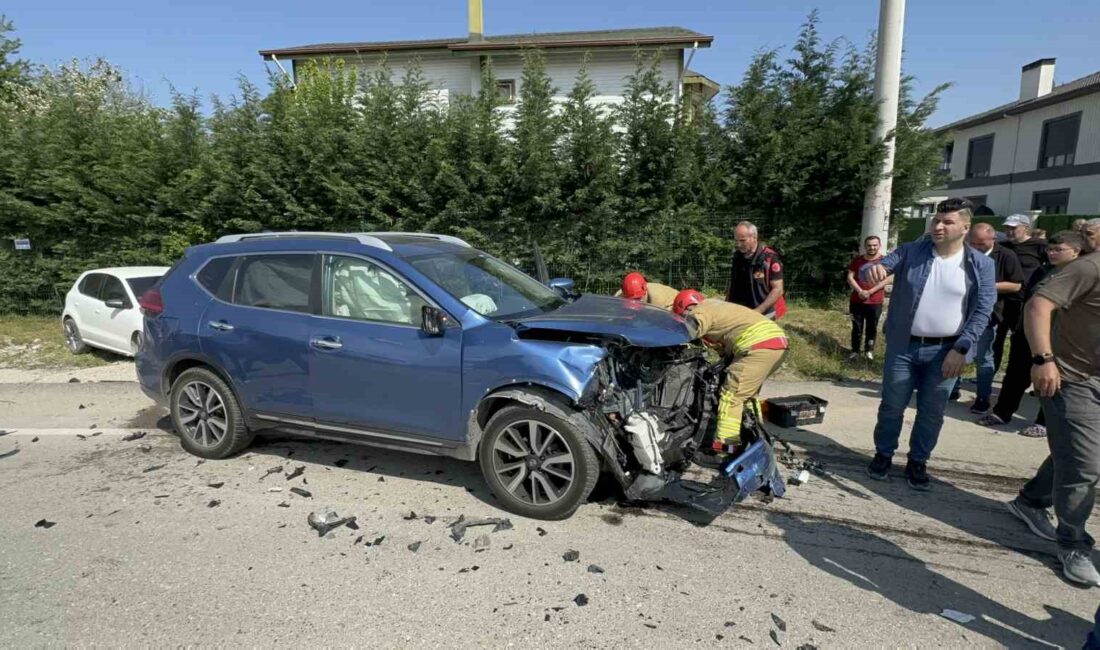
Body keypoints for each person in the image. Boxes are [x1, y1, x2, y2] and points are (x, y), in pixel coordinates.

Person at [861, 198, 996, 490]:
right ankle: (883, 454)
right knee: (891, 406)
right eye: (936, 220)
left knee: (932, 412)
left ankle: (918, 461)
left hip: (947, 352)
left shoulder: (981, 265)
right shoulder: (912, 251)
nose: (938, 226)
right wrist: (874, 271)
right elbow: (877, 267)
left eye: (947, 222)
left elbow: (983, 309)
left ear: (964, 226)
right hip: (904, 348)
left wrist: (961, 349)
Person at [1006, 240, 1100, 587]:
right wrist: (1043, 360)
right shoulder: (1089, 268)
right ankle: (1073, 544)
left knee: (1075, 453)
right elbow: (1037, 306)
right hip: (1073, 379)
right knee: (1085, 466)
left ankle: (1031, 501)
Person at [978, 231, 1085, 432]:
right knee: (1015, 374)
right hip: (1027, 332)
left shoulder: (1080, 275)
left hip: (1058, 337)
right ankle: (1002, 412)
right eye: (1050, 249)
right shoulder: (1041, 271)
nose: (1052, 253)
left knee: (1050, 379)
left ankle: (1043, 422)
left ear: (1075, 251)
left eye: (1058, 250)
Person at [672, 290, 788, 456]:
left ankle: (726, 451)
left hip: (758, 346)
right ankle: (756, 439)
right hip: (776, 344)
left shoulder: (701, 310)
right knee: (747, 395)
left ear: (685, 308)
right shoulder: (717, 307)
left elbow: (689, 329)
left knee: (730, 397)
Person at [950, 223, 1023, 413]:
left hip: (988, 315)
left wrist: (987, 284)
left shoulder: (1006, 256)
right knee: (957, 351)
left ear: (993, 239)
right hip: (960, 311)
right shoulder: (964, 253)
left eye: (981, 243)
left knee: (984, 358)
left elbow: (1016, 285)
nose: (976, 247)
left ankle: (983, 397)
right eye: (972, 243)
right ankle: (953, 389)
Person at [994, 214, 1048, 374]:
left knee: (1020, 341)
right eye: (1007, 228)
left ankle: (1019, 374)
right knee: (996, 340)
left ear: (1026, 227)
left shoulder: (1039, 246)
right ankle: (992, 373)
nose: (1009, 231)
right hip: (1002, 300)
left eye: (1013, 228)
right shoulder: (1003, 246)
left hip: (1024, 301)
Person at [725, 221, 787, 319]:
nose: (738, 244)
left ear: (754, 237)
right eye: (736, 240)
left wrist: (758, 311)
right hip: (740, 309)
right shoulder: (737, 256)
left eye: (742, 240)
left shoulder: (769, 258)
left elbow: (778, 290)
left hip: (763, 311)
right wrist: (726, 304)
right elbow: (732, 283)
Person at [846, 236, 893, 360]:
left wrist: (870, 291)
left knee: (872, 327)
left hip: (875, 300)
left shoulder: (885, 261)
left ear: (879, 245)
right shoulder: (857, 260)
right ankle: (855, 350)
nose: (872, 247)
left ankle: (869, 351)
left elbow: (888, 279)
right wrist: (860, 291)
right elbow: (850, 277)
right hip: (856, 300)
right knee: (856, 327)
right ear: (865, 246)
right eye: (869, 245)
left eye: (874, 245)